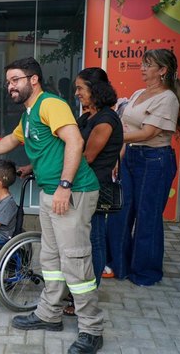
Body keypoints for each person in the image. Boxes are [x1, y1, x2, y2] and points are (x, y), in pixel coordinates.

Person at [0, 57, 103, 354]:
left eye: (15, 80)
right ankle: (49, 314)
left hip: (72, 191)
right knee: (52, 259)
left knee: (75, 260)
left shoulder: (51, 105)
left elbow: (75, 142)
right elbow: (12, 140)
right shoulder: (30, 115)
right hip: (50, 191)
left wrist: (65, 186)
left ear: (33, 80)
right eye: (8, 82)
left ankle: (92, 328)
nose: (10, 86)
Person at [107, 48, 180, 286]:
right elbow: (125, 126)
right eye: (142, 63)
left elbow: (148, 132)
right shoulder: (140, 92)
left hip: (154, 161)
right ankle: (119, 265)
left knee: (147, 217)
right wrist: (118, 157)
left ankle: (145, 273)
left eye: (148, 65)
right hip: (130, 156)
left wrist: (113, 139)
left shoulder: (167, 98)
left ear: (163, 70)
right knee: (121, 210)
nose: (142, 68)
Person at [64, 68, 123, 316]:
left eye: (81, 88)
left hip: (95, 188)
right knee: (83, 240)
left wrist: (62, 178)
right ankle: (78, 290)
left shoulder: (106, 120)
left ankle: (88, 295)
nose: (77, 93)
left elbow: (86, 156)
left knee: (94, 241)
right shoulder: (88, 116)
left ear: (95, 90)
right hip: (83, 186)